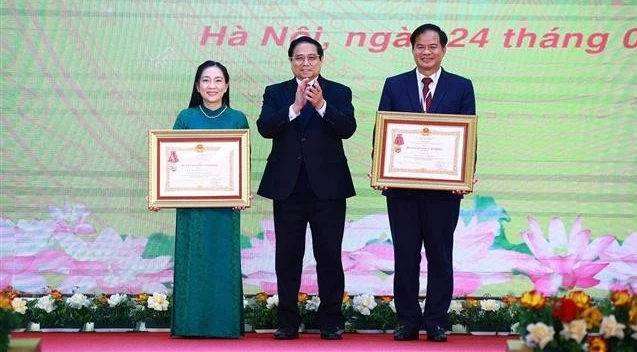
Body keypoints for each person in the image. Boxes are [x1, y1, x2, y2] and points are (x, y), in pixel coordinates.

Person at [375, 23, 476, 342]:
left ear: (443, 50)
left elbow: (469, 135)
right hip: (402, 190)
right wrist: (381, 169)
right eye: (420, 46)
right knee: (405, 255)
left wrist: (464, 174)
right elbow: (383, 130)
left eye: (433, 46)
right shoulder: (395, 84)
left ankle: (435, 321)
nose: (427, 52)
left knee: (440, 256)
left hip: (445, 191)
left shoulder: (461, 87)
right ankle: (406, 320)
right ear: (413, 49)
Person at [256, 36, 356, 341]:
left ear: (321, 60)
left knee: (329, 256)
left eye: (311, 57)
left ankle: (331, 321)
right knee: (287, 258)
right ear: (291, 62)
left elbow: (348, 128)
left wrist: (321, 105)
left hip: (328, 191)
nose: (305, 63)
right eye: (299, 58)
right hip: (288, 190)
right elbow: (265, 127)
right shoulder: (276, 93)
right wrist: (296, 107)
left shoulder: (338, 92)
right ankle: (287, 321)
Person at [151, 60, 250, 338]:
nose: (212, 86)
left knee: (222, 261)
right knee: (193, 260)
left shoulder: (238, 118)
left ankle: (224, 326)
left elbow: (243, 160)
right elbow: (171, 159)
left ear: (227, 86)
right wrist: (162, 190)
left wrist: (242, 192)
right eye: (206, 80)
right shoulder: (186, 117)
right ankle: (189, 325)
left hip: (225, 206)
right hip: (191, 205)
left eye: (218, 80)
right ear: (197, 86)